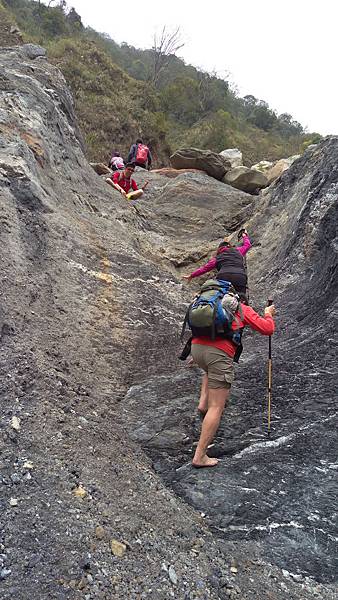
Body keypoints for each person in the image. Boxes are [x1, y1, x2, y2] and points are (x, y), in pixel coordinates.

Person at [190, 301, 276, 468]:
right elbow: (267, 329)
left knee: (210, 371)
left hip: (197, 348)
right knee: (217, 407)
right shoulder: (241, 307)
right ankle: (199, 457)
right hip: (219, 353)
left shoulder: (210, 302)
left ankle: (202, 405)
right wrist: (268, 313)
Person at [183, 230, 251, 295]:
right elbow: (247, 245)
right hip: (240, 276)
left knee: (221, 297)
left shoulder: (217, 258)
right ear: (229, 246)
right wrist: (244, 236)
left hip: (224, 276)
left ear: (219, 250)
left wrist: (192, 275)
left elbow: (204, 269)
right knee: (242, 299)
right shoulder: (238, 251)